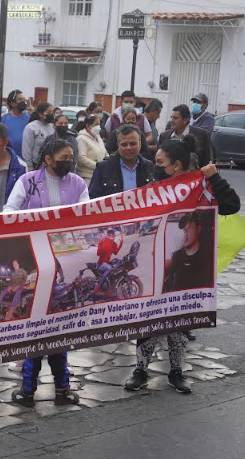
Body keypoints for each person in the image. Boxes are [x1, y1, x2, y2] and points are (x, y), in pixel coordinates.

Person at [124, 137, 239, 394]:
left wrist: (214, 178)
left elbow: (231, 206)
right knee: (149, 318)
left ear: (175, 165)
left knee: (179, 320)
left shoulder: (205, 185)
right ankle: (140, 369)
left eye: (160, 162)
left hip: (192, 267)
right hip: (157, 264)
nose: (156, 166)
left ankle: (177, 371)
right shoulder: (157, 187)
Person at [3, 140, 87, 407]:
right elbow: (9, 211)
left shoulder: (78, 184)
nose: (70, 161)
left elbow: (88, 215)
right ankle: (29, 389)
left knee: (59, 328)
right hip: (35, 266)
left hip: (64, 265)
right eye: (64, 157)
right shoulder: (27, 182)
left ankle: (62, 388)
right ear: (48, 159)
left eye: (71, 157)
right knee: (35, 326)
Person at [88, 125, 155, 199]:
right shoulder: (103, 168)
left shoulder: (149, 166)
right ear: (118, 145)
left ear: (140, 144)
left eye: (133, 144)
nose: (128, 148)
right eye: (124, 144)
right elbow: (92, 199)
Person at [21, 102, 54, 169]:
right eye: (49, 112)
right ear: (40, 114)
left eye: (52, 112)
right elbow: (27, 150)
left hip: (49, 165)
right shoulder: (31, 127)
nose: (51, 114)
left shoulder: (52, 127)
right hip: (35, 164)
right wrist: (29, 167)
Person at [76, 114, 108, 182]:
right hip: (86, 177)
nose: (98, 127)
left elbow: (104, 151)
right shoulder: (81, 139)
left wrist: (108, 160)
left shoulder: (98, 137)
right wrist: (97, 166)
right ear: (88, 126)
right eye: (96, 124)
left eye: (99, 124)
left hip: (98, 174)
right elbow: (81, 158)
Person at [1, 90, 29, 158]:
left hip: (25, 159)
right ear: (12, 103)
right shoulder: (3, 119)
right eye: (20, 99)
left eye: (24, 99)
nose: (23, 101)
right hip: (9, 158)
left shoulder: (29, 118)